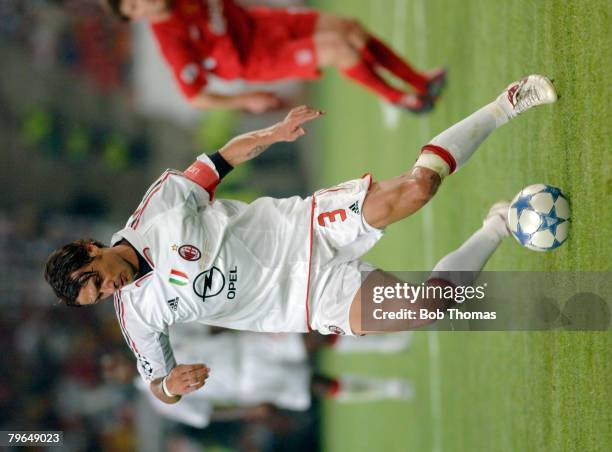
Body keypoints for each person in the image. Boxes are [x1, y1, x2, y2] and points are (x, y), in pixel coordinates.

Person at [44, 74, 557, 405]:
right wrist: (168, 387)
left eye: (98, 281)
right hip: (306, 300)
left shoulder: (157, 205)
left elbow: (218, 160)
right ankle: (501, 224)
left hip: (303, 227)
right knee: (428, 308)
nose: (110, 292)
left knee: (419, 187)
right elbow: (156, 384)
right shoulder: (137, 316)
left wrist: (273, 133)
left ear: (92, 249)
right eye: (100, 298)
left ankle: (506, 104)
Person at [102, 0, 446, 113]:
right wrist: (246, 99)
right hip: (257, 57)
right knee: (340, 48)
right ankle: (402, 98)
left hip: (265, 23)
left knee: (350, 29)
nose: (141, 1)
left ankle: (419, 80)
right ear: (134, 18)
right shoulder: (170, 41)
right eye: (132, 6)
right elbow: (195, 97)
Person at [103, 323, 413, 428]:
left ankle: (386, 343)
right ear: (117, 381)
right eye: (114, 372)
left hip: (245, 345)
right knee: (315, 384)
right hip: (246, 383)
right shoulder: (158, 399)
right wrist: (250, 411)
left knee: (311, 339)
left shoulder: (160, 344)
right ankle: (387, 388)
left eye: (115, 361)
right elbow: (206, 414)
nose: (119, 366)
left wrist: (243, 324)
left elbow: (207, 328)